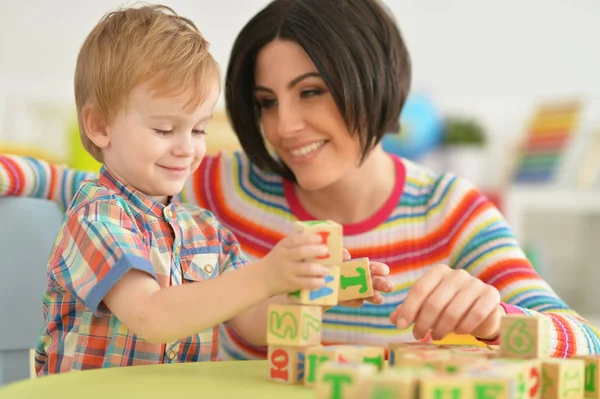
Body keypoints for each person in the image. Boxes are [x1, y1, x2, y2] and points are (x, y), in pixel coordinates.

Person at [1, 0, 598, 360]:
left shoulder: (453, 213)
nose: (284, 127)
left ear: (374, 80)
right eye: (264, 101)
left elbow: (584, 343)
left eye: (311, 92)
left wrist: (499, 323)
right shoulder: (214, 186)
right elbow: (83, 187)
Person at [25, 4, 389, 375]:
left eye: (198, 129)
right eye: (165, 130)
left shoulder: (204, 229)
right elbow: (153, 316)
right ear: (99, 125)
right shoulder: (97, 217)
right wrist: (266, 274)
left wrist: (317, 290)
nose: (187, 148)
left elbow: (251, 320)